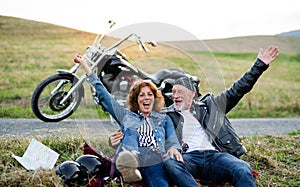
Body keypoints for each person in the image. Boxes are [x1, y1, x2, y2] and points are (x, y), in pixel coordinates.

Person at [109, 46, 279, 187]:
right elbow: (140, 126)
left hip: (216, 156)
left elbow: (239, 88)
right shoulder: (165, 115)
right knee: (170, 163)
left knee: (242, 168)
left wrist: (260, 65)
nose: (174, 95)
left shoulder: (212, 106)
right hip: (188, 158)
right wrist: (117, 139)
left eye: (180, 92)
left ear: (192, 94)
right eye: (173, 92)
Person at [73, 53, 183, 187]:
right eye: (141, 95)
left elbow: (173, 141)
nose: (146, 98)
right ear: (136, 100)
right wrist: (84, 65)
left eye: (150, 94)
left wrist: (174, 148)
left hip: (153, 159)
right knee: (131, 131)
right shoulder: (126, 116)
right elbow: (104, 96)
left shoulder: (164, 119)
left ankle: (134, 173)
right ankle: (129, 164)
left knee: (160, 183)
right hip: (127, 157)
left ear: (155, 98)